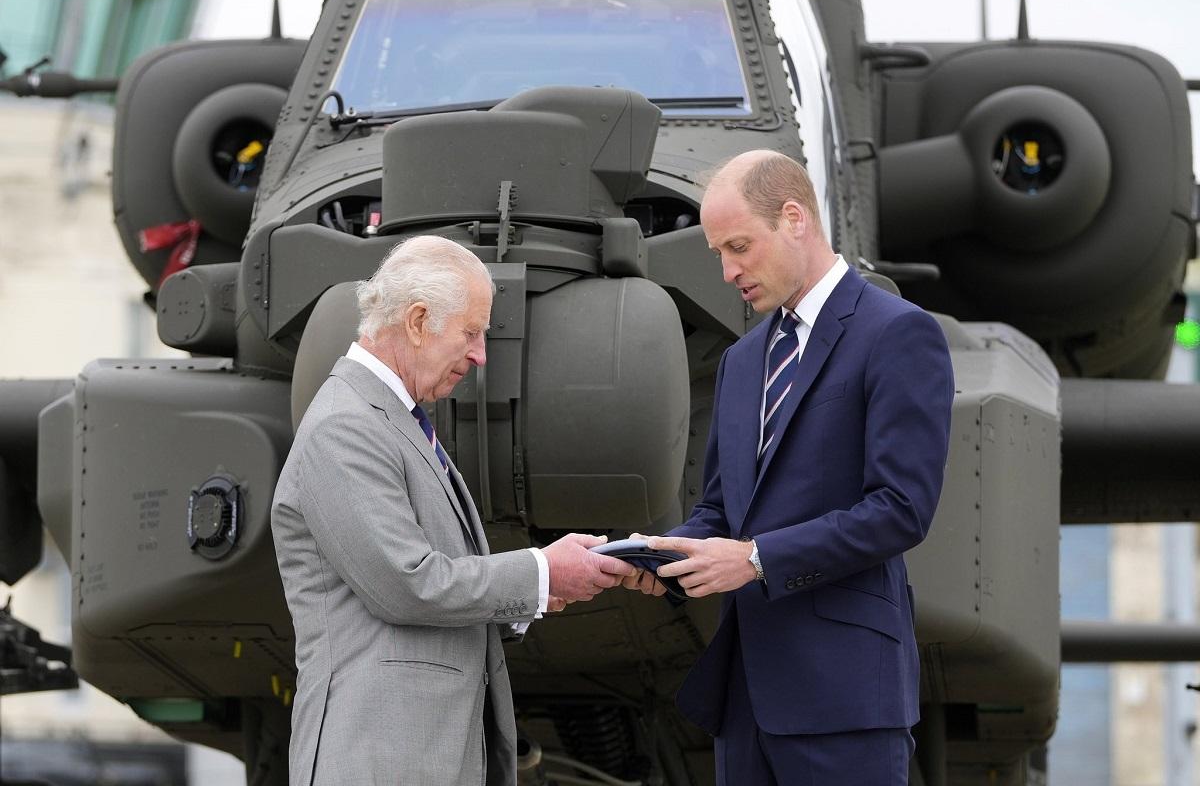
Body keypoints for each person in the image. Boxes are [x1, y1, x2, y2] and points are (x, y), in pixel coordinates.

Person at [625, 150, 954, 785]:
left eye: (739, 247)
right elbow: (722, 511)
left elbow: (901, 510)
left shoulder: (898, 334)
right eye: (719, 252)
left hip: (846, 699)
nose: (727, 271)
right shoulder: (743, 359)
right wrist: (664, 556)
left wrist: (752, 560)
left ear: (795, 218)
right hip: (748, 698)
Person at [271, 235, 635, 786]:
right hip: (382, 760)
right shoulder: (348, 425)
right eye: (471, 332)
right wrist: (540, 571)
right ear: (418, 321)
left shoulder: (391, 420)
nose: (481, 353)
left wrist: (531, 594)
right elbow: (406, 583)